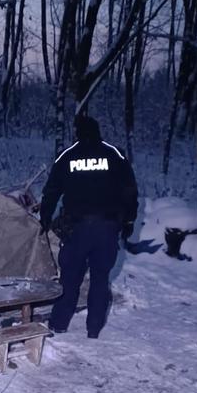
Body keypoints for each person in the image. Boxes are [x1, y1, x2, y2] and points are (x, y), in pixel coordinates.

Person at [39, 114, 138, 338]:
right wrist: (129, 220)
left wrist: (45, 217)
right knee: (100, 278)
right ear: (97, 132)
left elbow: (52, 190)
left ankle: (58, 324)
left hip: (77, 228)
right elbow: (130, 190)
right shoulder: (114, 155)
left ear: (77, 133)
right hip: (107, 227)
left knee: (70, 277)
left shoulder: (68, 156)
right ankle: (94, 328)